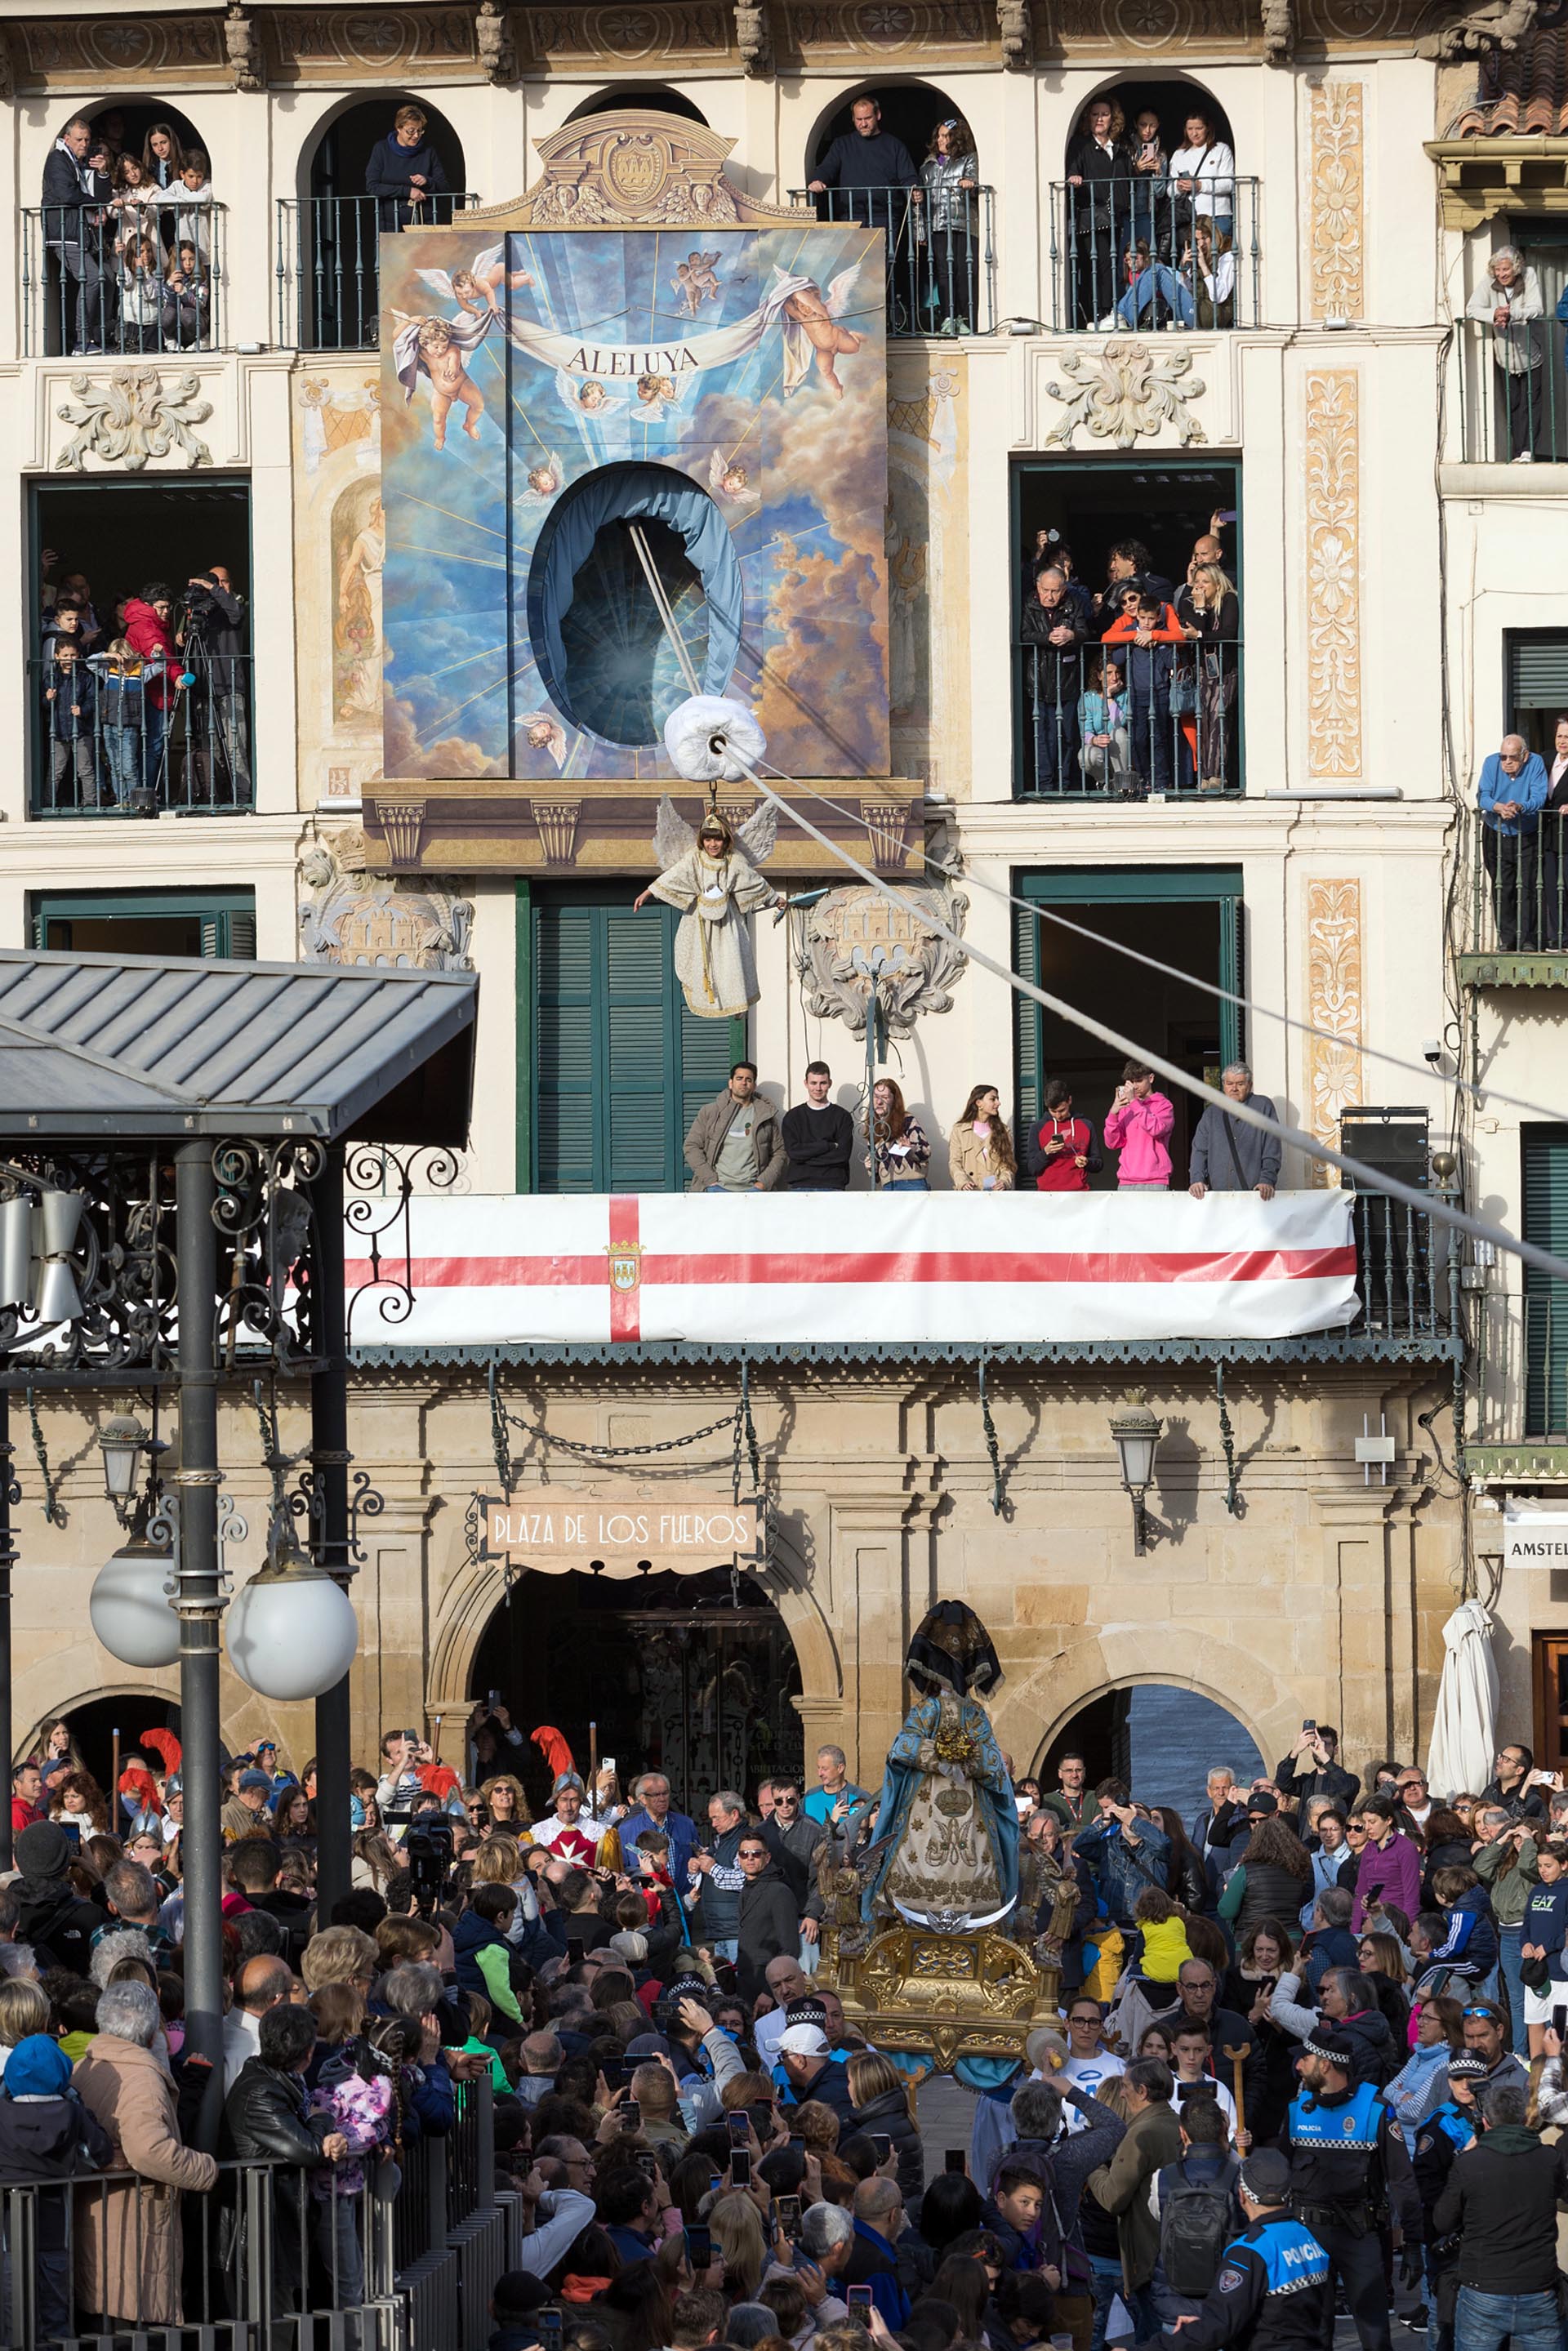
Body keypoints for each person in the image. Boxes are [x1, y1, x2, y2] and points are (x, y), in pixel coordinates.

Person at [74, 1979, 220, 2329]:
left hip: (99, 2226)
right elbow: (149, 2150)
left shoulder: (86, 2066)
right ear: (153, 2028)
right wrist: (206, 2169)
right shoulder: (141, 2078)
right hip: (132, 2234)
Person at [1281, 2027, 1422, 2351]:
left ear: (1326, 2065)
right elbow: (1279, 2172)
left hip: (1360, 2236)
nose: (1299, 2066)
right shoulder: (1296, 2108)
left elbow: (1401, 2180)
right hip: (1307, 2237)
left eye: (1306, 2059)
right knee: (1312, 2334)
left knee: (1374, 2336)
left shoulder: (1376, 2109)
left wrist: (1413, 2240)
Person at [1432, 2077, 1568, 2351]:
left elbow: (1442, 2221)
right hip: (1538, 2287)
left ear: (1485, 2123)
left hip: (1483, 2288)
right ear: (1524, 2120)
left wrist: (1465, 2157)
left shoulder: (1470, 2164)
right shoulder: (1549, 2160)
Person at [1153, 2145, 1330, 2351]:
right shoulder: (1308, 2238)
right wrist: (1205, 2324)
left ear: (1242, 2195)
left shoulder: (1249, 2252)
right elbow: (1316, 2320)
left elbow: (1219, 2326)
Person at [639, 810, 787, 1018]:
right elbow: (675, 875)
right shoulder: (694, 859)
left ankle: (737, 1006)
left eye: (717, 839)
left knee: (730, 961)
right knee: (700, 961)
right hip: (699, 920)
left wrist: (774, 898)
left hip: (727, 922)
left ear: (725, 839)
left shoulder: (734, 860)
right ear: (702, 840)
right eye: (708, 839)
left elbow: (752, 880)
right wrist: (649, 892)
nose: (712, 844)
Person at [1085, 2056, 1183, 2348]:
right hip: (1174, 2255)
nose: (1122, 2092)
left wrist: (1093, 2162)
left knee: (1151, 2337)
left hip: (1149, 2259)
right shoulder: (1176, 2124)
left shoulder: (1140, 2133)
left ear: (1142, 2091)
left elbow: (1113, 2198)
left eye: (1126, 2087)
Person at [808, 97, 918, 316]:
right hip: (851, 216)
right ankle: (858, 316)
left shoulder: (894, 145)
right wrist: (818, 180)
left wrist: (913, 190)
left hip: (885, 216)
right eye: (858, 120)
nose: (863, 124)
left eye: (867, 118)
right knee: (852, 267)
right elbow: (826, 168)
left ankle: (884, 317)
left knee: (884, 266)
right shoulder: (842, 145)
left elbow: (908, 177)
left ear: (878, 116)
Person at [1102, 585, 1185, 795]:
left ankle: (1161, 780)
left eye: (1151, 619)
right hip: (1137, 695)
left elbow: (1172, 662)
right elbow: (1117, 656)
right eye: (1143, 618)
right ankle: (1146, 778)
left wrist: (1157, 642)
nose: (1146, 623)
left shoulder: (1162, 635)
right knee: (1138, 738)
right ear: (1137, 617)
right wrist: (1133, 641)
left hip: (1159, 694)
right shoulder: (1131, 632)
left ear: (1157, 618)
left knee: (1158, 738)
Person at [1465, 247, 1545, 462]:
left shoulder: (1529, 276)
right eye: (1498, 270)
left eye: (1506, 269)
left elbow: (1537, 308)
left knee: (1532, 403)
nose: (1502, 274)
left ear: (1516, 268)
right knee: (1514, 404)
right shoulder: (1489, 282)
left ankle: (1528, 451)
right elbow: (1471, 309)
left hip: (1531, 354)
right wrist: (1494, 313)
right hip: (1505, 355)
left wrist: (1513, 314)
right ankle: (1519, 451)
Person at [42, 114, 109, 353]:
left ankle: (87, 338)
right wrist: (95, 206)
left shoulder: (78, 163)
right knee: (92, 279)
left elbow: (100, 197)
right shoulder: (57, 160)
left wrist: (102, 174)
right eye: (80, 139)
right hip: (64, 233)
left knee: (98, 279)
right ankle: (82, 341)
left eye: (87, 140)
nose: (84, 144)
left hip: (76, 233)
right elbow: (67, 195)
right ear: (66, 138)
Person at [1065, 96, 1134, 328]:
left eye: (1104, 114)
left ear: (1112, 118)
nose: (1100, 119)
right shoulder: (1081, 144)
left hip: (1115, 216)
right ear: (1088, 118)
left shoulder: (1119, 149)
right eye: (1095, 114)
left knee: (1113, 265)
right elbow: (1073, 170)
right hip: (1090, 216)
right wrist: (1074, 177)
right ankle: (1098, 314)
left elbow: (1126, 180)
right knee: (1098, 265)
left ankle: (1111, 312)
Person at [1477, 735, 1549, 953]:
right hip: (1496, 831)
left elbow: (1539, 797)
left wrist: (1520, 807)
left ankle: (1528, 939)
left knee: (1528, 887)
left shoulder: (1535, 763)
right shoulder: (1491, 763)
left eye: (1513, 757)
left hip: (1526, 832)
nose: (1507, 762)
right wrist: (1499, 807)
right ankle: (1507, 939)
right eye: (1503, 757)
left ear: (1524, 756)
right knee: (1502, 887)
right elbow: (1482, 797)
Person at [1022, 566, 1087, 792]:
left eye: (1055, 591)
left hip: (1066, 680)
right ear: (1038, 587)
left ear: (1064, 589)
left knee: (1067, 736)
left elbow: (1085, 632)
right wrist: (1047, 638)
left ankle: (1064, 784)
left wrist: (1072, 635)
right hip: (1037, 681)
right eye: (1046, 590)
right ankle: (1045, 785)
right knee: (1042, 738)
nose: (1050, 596)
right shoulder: (1028, 604)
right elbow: (1023, 634)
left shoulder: (1074, 602)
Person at [1178, 559, 1240, 790]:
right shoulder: (1191, 603)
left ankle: (1219, 774)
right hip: (1204, 670)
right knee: (1203, 719)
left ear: (1217, 583)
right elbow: (1191, 630)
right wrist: (1200, 607)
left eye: (1206, 582)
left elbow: (1228, 631)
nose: (1201, 587)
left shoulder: (1229, 600)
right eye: (1197, 582)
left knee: (1219, 717)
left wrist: (1201, 634)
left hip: (1225, 670)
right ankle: (1204, 775)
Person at [684, 1061, 786, 1194]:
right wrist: (710, 1180)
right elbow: (691, 1146)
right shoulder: (711, 1112)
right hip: (716, 1189)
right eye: (739, 1079)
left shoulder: (766, 1115)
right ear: (731, 1083)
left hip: (753, 1191)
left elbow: (779, 1152)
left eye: (748, 1080)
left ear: (754, 1086)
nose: (744, 1083)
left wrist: (763, 1183)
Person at [919, 117, 980, 332]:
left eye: (946, 136)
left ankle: (967, 318)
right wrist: (920, 230)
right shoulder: (928, 166)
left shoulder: (968, 159)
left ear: (957, 138)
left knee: (965, 272)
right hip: (938, 225)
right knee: (944, 273)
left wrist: (969, 183)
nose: (941, 140)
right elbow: (923, 202)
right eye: (939, 135)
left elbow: (973, 182)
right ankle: (948, 317)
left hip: (963, 224)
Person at [1188, 1066, 1281, 1200]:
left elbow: (1272, 1149)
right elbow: (1199, 1150)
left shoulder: (1263, 1107)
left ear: (1250, 1085)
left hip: (1254, 1195)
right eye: (1229, 1084)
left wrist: (1267, 1179)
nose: (1234, 1089)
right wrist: (1197, 1179)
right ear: (1224, 1085)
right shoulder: (1212, 1113)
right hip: (1219, 1197)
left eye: (1240, 1084)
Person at [736, 1828, 799, 2005]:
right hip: (745, 1980)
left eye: (756, 1854)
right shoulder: (746, 1888)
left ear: (767, 1857)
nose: (749, 1858)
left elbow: (790, 1949)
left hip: (766, 1983)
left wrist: (770, 1991)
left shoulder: (779, 1892)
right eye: (744, 1854)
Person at [368, 104, 452, 229]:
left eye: (420, 131)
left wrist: (427, 181)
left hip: (424, 221)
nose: (416, 136)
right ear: (399, 128)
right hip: (390, 224)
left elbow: (444, 186)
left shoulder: (428, 151)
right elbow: (372, 186)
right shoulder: (381, 149)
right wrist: (408, 191)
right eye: (411, 131)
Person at [1166, 111, 1236, 255]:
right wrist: (1179, 187)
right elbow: (1169, 190)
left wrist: (1199, 186)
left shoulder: (1221, 150)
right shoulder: (1179, 155)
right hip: (1190, 219)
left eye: (1199, 128)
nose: (1194, 133)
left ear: (1208, 128)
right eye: (1190, 129)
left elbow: (1229, 183)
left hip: (1218, 218)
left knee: (1220, 261)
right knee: (1193, 263)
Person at [1103, 1062, 1175, 1191]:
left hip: (1155, 1179)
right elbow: (1112, 1143)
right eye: (1131, 1082)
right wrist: (1113, 1113)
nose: (1134, 1087)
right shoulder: (1126, 1108)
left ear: (1151, 1078)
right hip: (1126, 1180)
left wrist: (1133, 1102)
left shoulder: (1164, 1105)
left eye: (1139, 1081)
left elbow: (1156, 1130)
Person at [782, 1062, 855, 1191]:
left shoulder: (843, 1117)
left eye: (823, 1083)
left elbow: (842, 1155)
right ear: (806, 1083)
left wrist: (805, 1156)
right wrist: (828, 1146)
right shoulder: (793, 1116)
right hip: (800, 1186)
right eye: (813, 1083)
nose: (818, 1088)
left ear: (830, 1083)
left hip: (833, 1186)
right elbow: (793, 1153)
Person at [1022, 1079, 1102, 1192]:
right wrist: (1046, 1152)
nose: (1058, 1115)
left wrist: (1087, 1162)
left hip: (1079, 1194)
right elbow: (1032, 1168)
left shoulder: (1087, 1125)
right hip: (1048, 1195)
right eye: (1053, 1111)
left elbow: (1098, 1164)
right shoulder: (1037, 1128)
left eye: (1062, 1110)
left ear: (1069, 1100)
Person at [1078, 657, 1137, 793]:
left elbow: (1120, 723)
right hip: (1100, 751)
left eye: (1118, 673)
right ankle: (1104, 782)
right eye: (1109, 673)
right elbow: (1084, 730)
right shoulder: (1088, 698)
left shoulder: (1125, 695)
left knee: (1119, 733)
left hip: (1120, 752)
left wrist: (1109, 695)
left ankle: (1123, 784)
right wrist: (1094, 739)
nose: (1114, 678)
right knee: (1085, 756)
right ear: (1099, 675)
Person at [949, 1084, 1018, 1191]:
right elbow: (955, 1162)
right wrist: (962, 1182)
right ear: (979, 1103)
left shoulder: (1004, 1131)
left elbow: (1008, 1164)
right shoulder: (959, 1130)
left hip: (994, 1195)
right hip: (969, 1195)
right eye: (993, 1099)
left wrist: (1004, 1182)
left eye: (998, 1099)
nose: (998, 1103)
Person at [866, 1078, 930, 1191]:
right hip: (887, 1186)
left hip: (912, 1184)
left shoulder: (907, 1120)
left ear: (894, 1100)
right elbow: (877, 1176)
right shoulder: (873, 1127)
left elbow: (926, 1151)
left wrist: (910, 1150)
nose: (879, 1102)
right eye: (876, 1097)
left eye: (885, 1097)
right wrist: (871, 1167)